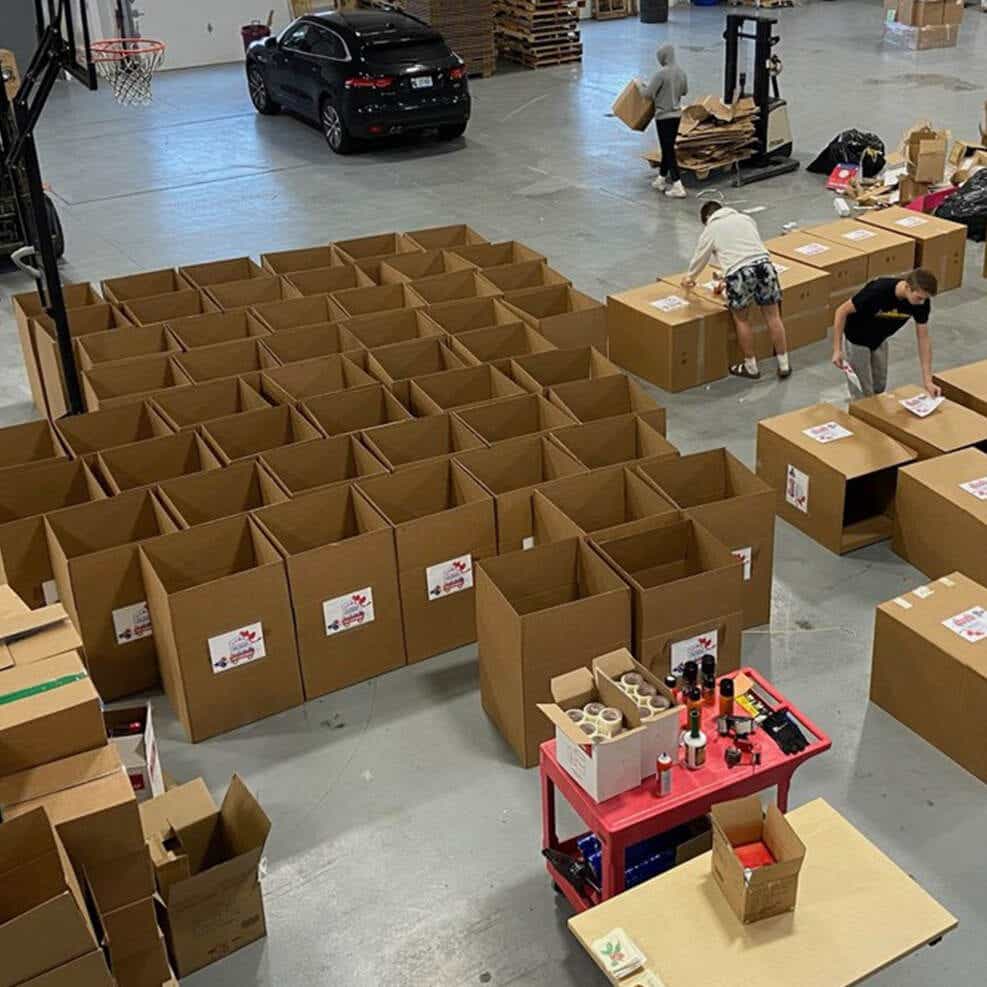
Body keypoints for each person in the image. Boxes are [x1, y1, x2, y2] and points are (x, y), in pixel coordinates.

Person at [682, 201, 791, 380]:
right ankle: (784, 363)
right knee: (773, 316)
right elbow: (745, 249)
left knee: (741, 320)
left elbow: (701, 257)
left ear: (707, 218)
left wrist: (690, 278)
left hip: (739, 273)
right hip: (765, 266)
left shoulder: (712, 228)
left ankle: (751, 366)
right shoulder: (746, 219)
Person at [831, 269, 940, 399]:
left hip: (880, 340)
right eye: (919, 298)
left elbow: (923, 339)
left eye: (925, 299)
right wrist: (837, 349)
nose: (922, 302)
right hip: (857, 340)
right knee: (862, 391)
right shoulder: (878, 290)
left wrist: (928, 381)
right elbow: (841, 311)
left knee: (879, 387)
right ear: (907, 287)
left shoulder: (921, 302)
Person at [639, 45, 688, 199]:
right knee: (668, 147)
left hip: (663, 116)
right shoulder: (681, 72)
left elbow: (647, 94)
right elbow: (685, 91)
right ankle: (661, 179)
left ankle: (678, 184)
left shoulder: (661, 74)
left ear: (663, 57)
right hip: (677, 115)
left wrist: (639, 85)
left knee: (668, 150)